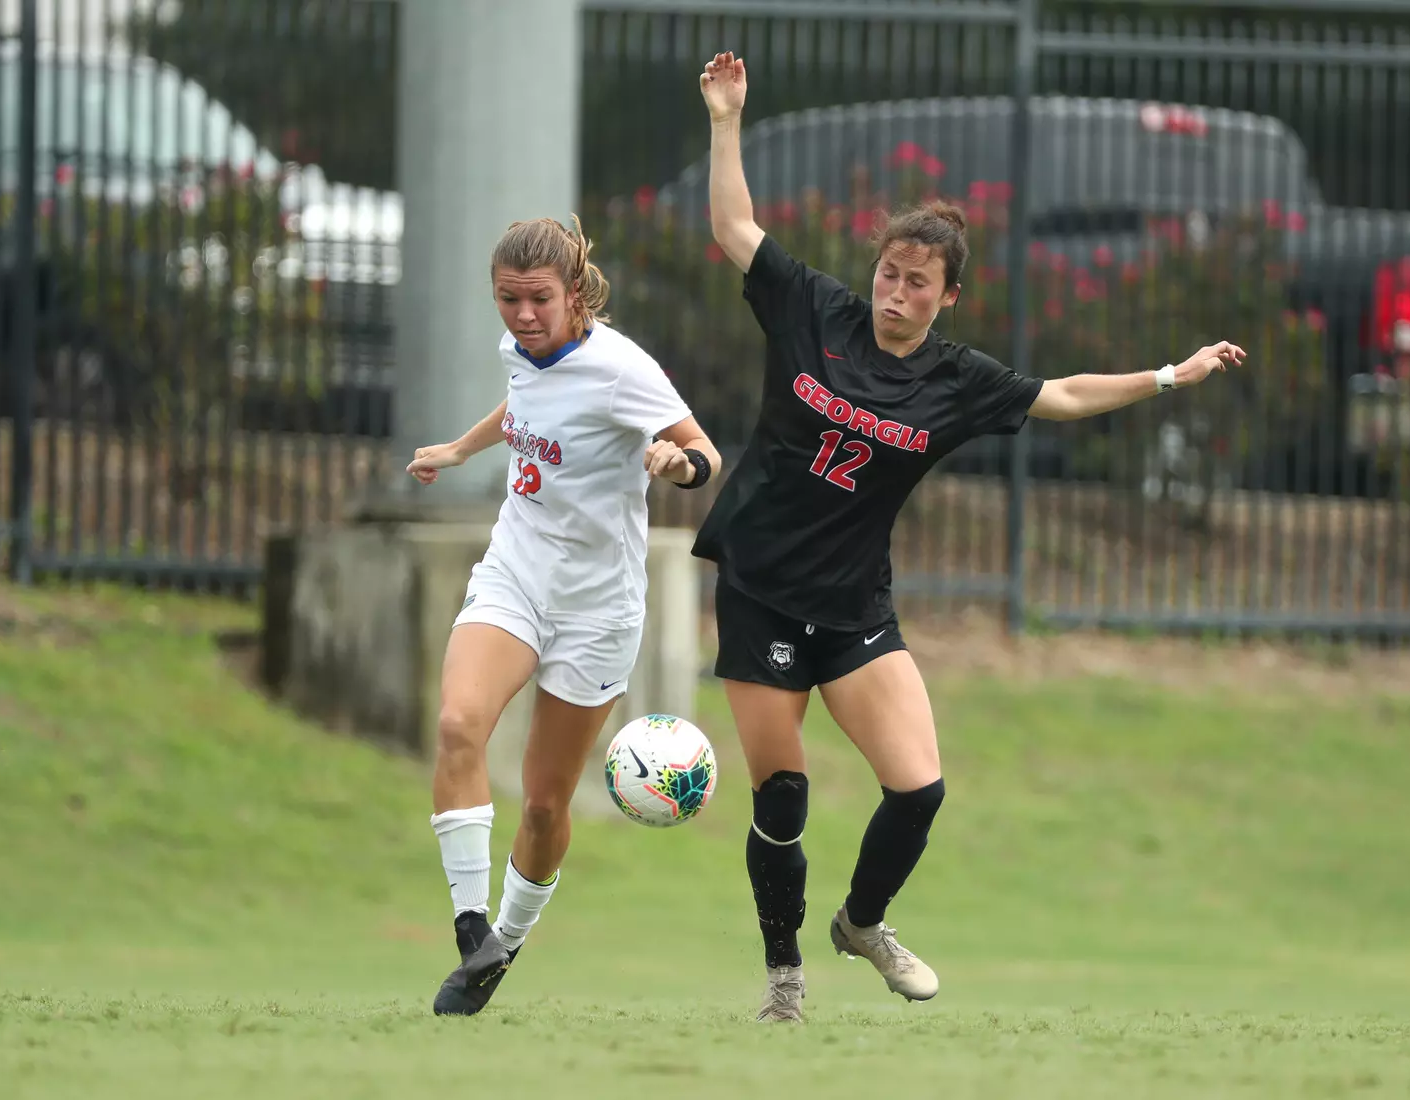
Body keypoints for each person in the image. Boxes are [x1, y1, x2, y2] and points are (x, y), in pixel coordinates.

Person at [693, 51, 1245, 1023]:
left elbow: (1061, 392)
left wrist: (1170, 375)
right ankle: (783, 977)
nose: (893, 291)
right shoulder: (813, 309)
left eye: (916, 282)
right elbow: (734, 228)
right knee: (781, 793)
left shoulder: (955, 378)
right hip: (758, 585)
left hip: (853, 602)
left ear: (948, 296)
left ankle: (861, 922)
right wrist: (726, 119)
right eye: (888, 272)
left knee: (917, 786)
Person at [407, 214, 720, 1017]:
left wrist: (673, 461)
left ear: (574, 294)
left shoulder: (621, 369)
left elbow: (705, 453)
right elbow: (521, 407)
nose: (521, 316)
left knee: (545, 803)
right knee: (456, 724)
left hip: (597, 609)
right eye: (507, 299)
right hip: (515, 574)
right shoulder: (521, 347)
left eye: (537, 299)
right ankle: (469, 923)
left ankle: (502, 948)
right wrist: (458, 450)